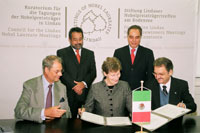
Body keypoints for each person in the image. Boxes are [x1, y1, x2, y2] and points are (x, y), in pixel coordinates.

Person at [14, 55, 71, 123]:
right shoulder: (30, 85)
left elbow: (68, 114)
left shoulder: (62, 87)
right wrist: (44, 112)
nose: (60, 74)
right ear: (46, 70)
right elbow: (19, 111)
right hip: (34, 127)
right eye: (57, 71)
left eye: (61, 71)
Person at [57, 27, 96, 118]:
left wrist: (83, 84)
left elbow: (93, 72)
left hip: (85, 95)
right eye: (75, 39)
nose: (78, 42)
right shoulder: (62, 53)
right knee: (69, 124)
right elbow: (62, 72)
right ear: (70, 40)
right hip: (69, 94)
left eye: (80, 39)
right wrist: (74, 86)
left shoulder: (90, 53)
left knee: (85, 124)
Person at [145, 57, 196, 126]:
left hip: (175, 126)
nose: (157, 77)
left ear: (170, 72)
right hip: (155, 125)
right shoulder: (148, 85)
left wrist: (184, 106)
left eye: (161, 74)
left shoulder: (181, 85)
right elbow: (142, 105)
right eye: (155, 74)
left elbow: (193, 106)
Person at [114, 25, 154, 90]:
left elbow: (150, 76)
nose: (134, 40)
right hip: (122, 90)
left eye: (137, 37)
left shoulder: (148, 53)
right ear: (127, 37)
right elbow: (114, 73)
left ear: (140, 37)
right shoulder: (119, 52)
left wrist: (146, 90)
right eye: (131, 37)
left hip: (141, 91)